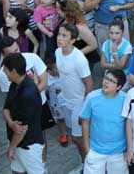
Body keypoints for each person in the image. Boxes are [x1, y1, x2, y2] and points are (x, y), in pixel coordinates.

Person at [55, 23, 93, 165]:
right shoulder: (57, 52)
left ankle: (88, 164)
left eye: (64, 36)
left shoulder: (79, 59)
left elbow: (89, 84)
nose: (59, 38)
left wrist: (84, 109)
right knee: (75, 137)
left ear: (73, 40)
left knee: (79, 139)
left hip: (78, 103)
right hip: (65, 99)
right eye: (59, 34)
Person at [2, 52, 45, 174]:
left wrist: (11, 148)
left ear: (14, 71)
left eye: (6, 70)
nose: (4, 73)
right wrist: (11, 123)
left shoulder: (28, 94)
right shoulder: (14, 84)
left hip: (29, 146)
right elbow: (5, 109)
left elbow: (21, 130)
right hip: (16, 142)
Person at [80, 68, 128, 174]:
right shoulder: (92, 97)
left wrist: (128, 150)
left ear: (119, 87)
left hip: (119, 153)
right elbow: (85, 123)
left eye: (112, 81)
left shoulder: (126, 100)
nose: (106, 82)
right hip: (95, 151)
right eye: (106, 78)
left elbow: (129, 125)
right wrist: (87, 150)